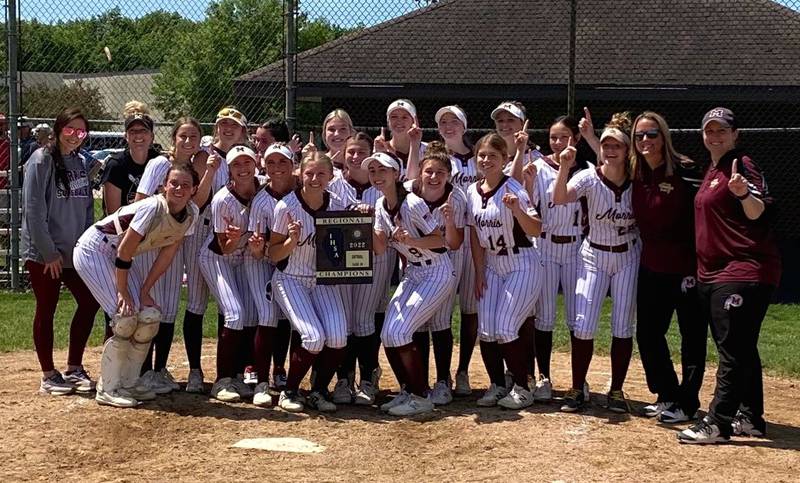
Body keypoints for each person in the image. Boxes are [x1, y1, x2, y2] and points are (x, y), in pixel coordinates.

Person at [678, 108, 781, 444]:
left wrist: (743, 194)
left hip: (743, 269)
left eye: (722, 130)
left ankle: (718, 422)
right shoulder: (712, 170)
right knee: (741, 346)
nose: (715, 136)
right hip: (714, 273)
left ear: (736, 134)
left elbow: (760, 210)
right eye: (709, 130)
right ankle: (750, 418)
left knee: (732, 350)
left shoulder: (742, 165)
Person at [73, 163, 199, 407]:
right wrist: (122, 292)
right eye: (174, 183)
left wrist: (144, 291)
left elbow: (167, 254)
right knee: (125, 316)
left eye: (186, 185)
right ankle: (108, 387)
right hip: (95, 250)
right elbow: (124, 249)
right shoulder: (154, 207)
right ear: (164, 186)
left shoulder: (190, 214)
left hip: (116, 256)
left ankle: (130, 382)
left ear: (194, 189)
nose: (179, 189)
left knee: (149, 317)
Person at [552, 112, 640, 414]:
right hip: (594, 254)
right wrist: (564, 166)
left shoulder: (637, 177)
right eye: (606, 145)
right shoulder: (590, 176)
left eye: (617, 145)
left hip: (628, 255)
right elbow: (560, 197)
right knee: (584, 324)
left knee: (622, 325)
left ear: (627, 150)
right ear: (599, 148)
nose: (611, 150)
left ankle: (616, 390)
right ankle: (577, 388)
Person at [625, 112, 708, 424]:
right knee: (647, 334)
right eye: (639, 136)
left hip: (686, 268)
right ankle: (667, 394)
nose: (646, 141)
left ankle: (687, 403)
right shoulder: (635, 172)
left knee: (692, 337)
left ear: (664, 136)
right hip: (651, 266)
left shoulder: (685, 170)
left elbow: (705, 211)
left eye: (652, 134)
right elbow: (607, 157)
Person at [368, 151, 456, 417]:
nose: (377, 176)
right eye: (372, 171)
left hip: (437, 272)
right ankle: (407, 390)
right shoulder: (381, 205)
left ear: (396, 174)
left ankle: (421, 395)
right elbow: (381, 248)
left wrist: (412, 241)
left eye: (383, 170)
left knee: (400, 332)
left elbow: (441, 241)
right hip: (415, 273)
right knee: (387, 334)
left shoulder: (413, 203)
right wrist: (368, 223)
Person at [22, 107, 100, 395]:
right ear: (58, 129)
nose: (75, 136)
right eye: (70, 129)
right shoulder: (41, 160)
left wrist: (88, 246)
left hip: (75, 252)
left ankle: (74, 367)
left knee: (90, 301)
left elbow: (88, 208)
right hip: (46, 254)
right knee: (47, 308)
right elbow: (33, 210)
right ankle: (48, 374)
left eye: (81, 131)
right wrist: (49, 252)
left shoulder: (80, 162)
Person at [466, 131, 543, 410]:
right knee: (486, 330)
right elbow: (474, 234)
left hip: (521, 262)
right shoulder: (472, 191)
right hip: (493, 265)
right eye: (482, 155)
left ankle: (523, 387)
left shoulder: (514, 189)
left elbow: (536, 228)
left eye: (493, 156)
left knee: (506, 327)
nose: (486, 160)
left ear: (505, 159)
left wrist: (518, 211)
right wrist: (478, 271)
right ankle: (498, 385)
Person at [269, 151, 349, 413]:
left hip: (324, 280)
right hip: (290, 277)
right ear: (299, 174)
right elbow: (273, 254)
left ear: (331, 176)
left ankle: (318, 390)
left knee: (337, 337)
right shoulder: (286, 207)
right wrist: (291, 242)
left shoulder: (337, 203)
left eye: (321, 173)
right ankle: (289, 390)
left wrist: (362, 212)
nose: (315, 179)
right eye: (309, 173)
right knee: (313, 338)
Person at [327, 132, 395, 406]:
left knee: (365, 319)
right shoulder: (332, 183)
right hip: (341, 259)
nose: (355, 157)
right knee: (345, 320)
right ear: (342, 154)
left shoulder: (381, 185)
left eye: (361, 152)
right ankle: (344, 378)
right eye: (351, 151)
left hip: (376, 257)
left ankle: (368, 377)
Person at [527, 115, 591, 402]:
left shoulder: (587, 169)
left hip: (577, 246)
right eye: (553, 137)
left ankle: (581, 381)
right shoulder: (539, 167)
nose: (557, 142)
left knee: (579, 317)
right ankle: (545, 377)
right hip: (546, 244)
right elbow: (529, 203)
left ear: (575, 139)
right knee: (545, 316)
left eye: (564, 136)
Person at [407, 142, 466, 406]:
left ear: (448, 175)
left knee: (441, 321)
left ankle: (443, 380)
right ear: (420, 172)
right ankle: (419, 380)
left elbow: (454, 243)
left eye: (440, 172)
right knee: (417, 322)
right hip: (414, 264)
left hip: (446, 263)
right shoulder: (409, 192)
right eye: (429, 171)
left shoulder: (457, 197)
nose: (434, 177)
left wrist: (450, 221)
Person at [200, 145, 260, 403]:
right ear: (229, 170)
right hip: (217, 258)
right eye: (236, 164)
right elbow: (224, 248)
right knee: (235, 314)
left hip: (245, 258)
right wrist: (235, 240)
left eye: (247, 163)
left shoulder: (264, 189)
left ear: (256, 165)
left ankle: (243, 377)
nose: (243, 169)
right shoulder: (222, 199)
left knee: (252, 315)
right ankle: (222, 380)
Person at [246, 143, 298, 405]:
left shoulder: (301, 190)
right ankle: (260, 383)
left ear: (293, 164)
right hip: (260, 262)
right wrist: (258, 249)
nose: (277, 168)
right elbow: (257, 251)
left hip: (292, 263)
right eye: (271, 162)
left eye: (283, 162)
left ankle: (280, 370)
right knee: (267, 315)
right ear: (264, 166)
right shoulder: (261, 199)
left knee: (288, 317)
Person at [433, 105, 479, 397]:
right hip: (446, 242)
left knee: (471, 309)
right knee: (442, 312)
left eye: (454, 121)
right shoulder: (435, 158)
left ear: (464, 125)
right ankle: (442, 375)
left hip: (475, 238)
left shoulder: (479, 157)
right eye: (443, 122)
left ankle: (463, 371)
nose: (449, 126)